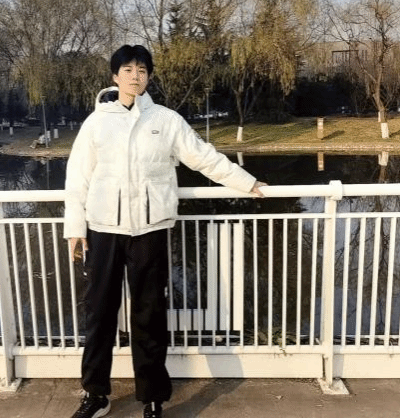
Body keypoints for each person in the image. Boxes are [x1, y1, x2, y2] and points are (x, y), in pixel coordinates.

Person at [64, 45, 266, 418]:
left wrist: (247, 181)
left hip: (150, 229)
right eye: (128, 70)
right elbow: (78, 177)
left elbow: (203, 157)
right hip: (103, 229)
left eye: (142, 70)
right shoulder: (97, 122)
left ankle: (153, 397)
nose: (135, 76)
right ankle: (96, 394)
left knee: (150, 315)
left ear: (149, 77)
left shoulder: (166, 120)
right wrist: (76, 227)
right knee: (99, 314)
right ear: (115, 76)